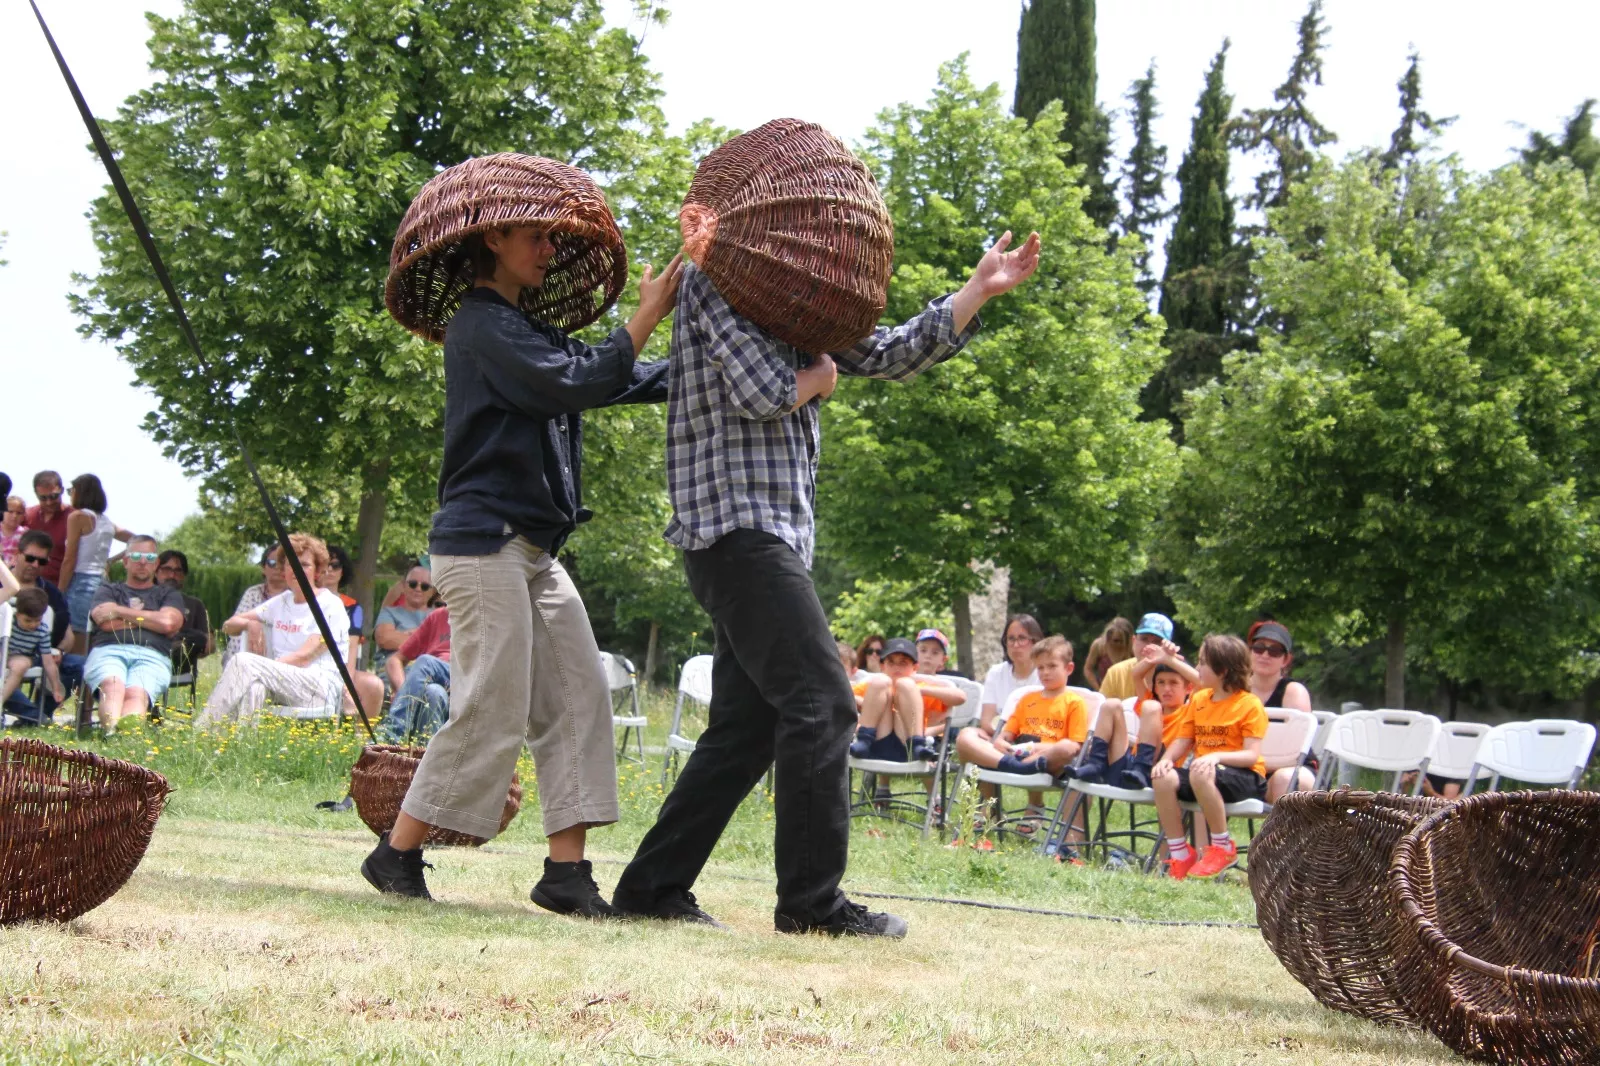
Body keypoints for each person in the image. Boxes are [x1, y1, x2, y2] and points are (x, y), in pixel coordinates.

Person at [613, 226, 1040, 938]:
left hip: (765, 538)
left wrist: (978, 289)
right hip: (736, 530)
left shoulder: (794, 303)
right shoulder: (716, 280)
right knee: (824, 700)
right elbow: (759, 391)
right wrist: (817, 380)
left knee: (746, 730)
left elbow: (887, 352)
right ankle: (812, 905)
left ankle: (652, 887)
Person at [363, 153, 681, 918]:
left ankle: (565, 875)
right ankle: (395, 853)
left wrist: (721, 363)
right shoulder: (479, 326)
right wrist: (643, 317)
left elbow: (616, 375)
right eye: (538, 237)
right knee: (492, 704)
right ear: (496, 237)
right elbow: (576, 381)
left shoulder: (524, 328)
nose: (549, 251)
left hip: (533, 551)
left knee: (578, 697)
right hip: (481, 544)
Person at [197, 533, 350, 726]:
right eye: (290, 564)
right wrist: (250, 623)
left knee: (244, 662)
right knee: (255, 688)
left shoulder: (330, 605)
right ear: (284, 569)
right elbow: (229, 625)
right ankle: (242, 749)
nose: (296, 570)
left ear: (317, 571)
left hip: (318, 688)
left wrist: (261, 666)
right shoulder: (281, 602)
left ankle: (202, 731)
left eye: (303, 564)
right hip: (283, 683)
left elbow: (303, 658)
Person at [1151, 634, 1268, 880]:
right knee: (1163, 778)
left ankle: (1222, 847)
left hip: (1244, 779)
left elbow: (1251, 755)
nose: (1197, 668)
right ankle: (1180, 853)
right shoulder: (1200, 699)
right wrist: (1166, 760)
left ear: (1223, 670)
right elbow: (1183, 740)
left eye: (1203, 662)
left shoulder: (1249, 704)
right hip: (1204, 776)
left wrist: (1215, 757)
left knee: (1200, 770)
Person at [82, 535, 185, 734]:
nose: (142, 561)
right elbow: (104, 622)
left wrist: (120, 611)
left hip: (152, 655)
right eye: (136, 555)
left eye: (149, 557)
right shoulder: (108, 589)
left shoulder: (168, 594)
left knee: (137, 693)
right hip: (108, 651)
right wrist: (150, 621)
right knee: (112, 686)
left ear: (156, 564)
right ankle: (112, 733)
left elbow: (169, 623)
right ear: (126, 561)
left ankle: (124, 737)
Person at [956, 635, 1087, 775]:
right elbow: (1006, 735)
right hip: (1015, 754)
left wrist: (1033, 748)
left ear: (1069, 668)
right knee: (966, 735)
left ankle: (1020, 766)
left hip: (1045, 759)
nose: (1045, 672)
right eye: (1040, 668)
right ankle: (1017, 768)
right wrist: (1001, 742)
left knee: (1065, 747)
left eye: (1052, 666)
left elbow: (1075, 746)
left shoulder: (1074, 702)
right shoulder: (1027, 699)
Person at [1069, 660, 1194, 790]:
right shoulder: (1149, 702)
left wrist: (1169, 657)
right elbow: (1136, 674)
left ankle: (1142, 769)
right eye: (1161, 682)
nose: (1166, 688)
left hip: (1156, 774)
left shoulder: (1191, 710)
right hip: (1128, 769)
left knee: (1151, 706)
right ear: (1155, 688)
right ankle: (1095, 764)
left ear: (1189, 688)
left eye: (1173, 683)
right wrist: (1156, 658)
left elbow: (1201, 682)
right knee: (1111, 704)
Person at [4, 531, 81, 724]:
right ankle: (35, 717)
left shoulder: (51, 593)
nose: (35, 565)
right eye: (30, 558)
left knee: (80, 665)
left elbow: (68, 634)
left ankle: (37, 714)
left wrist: (61, 651)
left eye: (42, 561)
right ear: (17, 554)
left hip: (39, 653)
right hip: (4, 651)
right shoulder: (3, 584)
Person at [849, 637, 966, 763]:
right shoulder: (875, 686)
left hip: (906, 743)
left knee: (905, 684)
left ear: (915, 667)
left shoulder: (918, 686)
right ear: (882, 666)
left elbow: (960, 697)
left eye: (903, 663)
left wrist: (919, 691)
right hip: (877, 740)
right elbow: (843, 694)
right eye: (891, 663)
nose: (896, 668)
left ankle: (917, 743)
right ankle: (864, 740)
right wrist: (864, 703)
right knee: (881, 682)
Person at [57, 474, 133, 654]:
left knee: (77, 636)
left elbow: (70, 558)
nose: (70, 495)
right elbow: (137, 540)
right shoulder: (107, 522)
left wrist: (60, 591)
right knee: (95, 637)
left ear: (79, 492)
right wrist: (111, 561)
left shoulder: (77, 517)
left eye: (71, 491)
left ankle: (75, 681)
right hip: (103, 582)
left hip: (81, 581)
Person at [1245, 620, 1316, 803]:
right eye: (1259, 648)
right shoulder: (1236, 690)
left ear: (1286, 659)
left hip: (1290, 767)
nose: (1265, 655)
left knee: (1286, 779)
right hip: (1247, 769)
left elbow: (1296, 751)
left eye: (1275, 651)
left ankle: (1281, 833)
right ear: (1249, 652)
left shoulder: (1293, 692)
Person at [380, 605, 452, 742]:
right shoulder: (438, 616)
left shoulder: (481, 619)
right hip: (434, 682)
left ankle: (392, 734)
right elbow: (394, 660)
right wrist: (406, 690)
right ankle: (422, 757)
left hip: (465, 677)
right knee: (434, 693)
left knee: (425, 661)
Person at [3, 586, 66, 722]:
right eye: (28, 620)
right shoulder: (8, 622)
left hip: (23, 656)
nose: (33, 625)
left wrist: (56, 688)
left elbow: (48, 662)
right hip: (3, 652)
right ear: (17, 614)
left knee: (20, 665)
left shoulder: (42, 631)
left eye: (37, 620)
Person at [224, 545, 286, 667]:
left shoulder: (297, 597)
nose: (278, 567)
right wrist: (250, 624)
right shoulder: (253, 594)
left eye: (283, 563)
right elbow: (229, 627)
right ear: (263, 568)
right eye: (273, 563)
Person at [156, 550, 214, 676]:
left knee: (196, 638)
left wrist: (194, 648)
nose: (172, 575)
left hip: (181, 661)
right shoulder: (147, 599)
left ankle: (176, 648)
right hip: (149, 656)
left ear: (184, 576)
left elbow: (210, 643)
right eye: (166, 569)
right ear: (156, 572)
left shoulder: (194, 604)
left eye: (178, 571)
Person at [1098, 612, 1177, 703]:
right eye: (1144, 639)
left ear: (1167, 646)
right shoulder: (1116, 672)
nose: (1149, 645)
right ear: (1133, 641)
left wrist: (1172, 661)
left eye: (1157, 642)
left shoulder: (1177, 674)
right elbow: (1102, 711)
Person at [373, 565, 433, 674]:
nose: (418, 589)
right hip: (392, 674)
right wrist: (425, 638)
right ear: (404, 586)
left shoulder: (439, 616)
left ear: (431, 591)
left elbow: (444, 645)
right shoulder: (389, 612)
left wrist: (406, 635)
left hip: (427, 674)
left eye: (424, 586)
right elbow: (385, 639)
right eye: (413, 584)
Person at [24, 471, 73, 585]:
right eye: (43, 498)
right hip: (27, 586)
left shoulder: (74, 517)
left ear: (62, 490)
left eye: (53, 496)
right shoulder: (27, 515)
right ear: (36, 495)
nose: (49, 502)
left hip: (61, 587)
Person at [1081, 616, 1134, 690]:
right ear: (1108, 636)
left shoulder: (1133, 647)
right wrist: (1099, 689)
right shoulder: (1099, 645)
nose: (1119, 644)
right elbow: (1088, 669)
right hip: (1104, 692)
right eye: (1116, 640)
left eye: (1122, 641)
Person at [1, 496, 27, 566]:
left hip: (13, 569)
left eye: (18, 513)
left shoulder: (24, 534)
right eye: (10, 512)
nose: (14, 516)